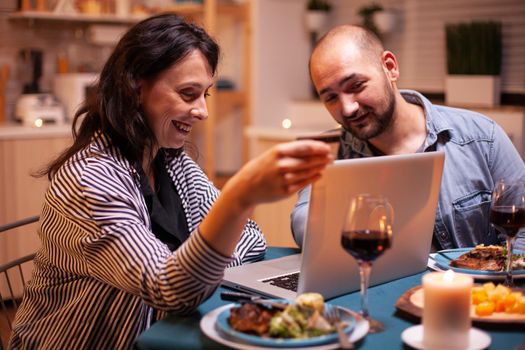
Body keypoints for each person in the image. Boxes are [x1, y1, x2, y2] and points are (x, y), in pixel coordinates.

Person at [9, 14, 332, 349]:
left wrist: (195, 269)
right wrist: (240, 196)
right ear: (135, 87)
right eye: (187, 93)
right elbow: (171, 289)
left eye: (204, 94)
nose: (203, 111)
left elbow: (251, 236)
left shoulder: (172, 162)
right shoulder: (90, 180)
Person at [291, 24, 525, 251]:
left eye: (356, 85)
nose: (348, 108)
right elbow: (303, 225)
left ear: (390, 67)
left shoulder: (482, 136)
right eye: (331, 98)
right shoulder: (331, 152)